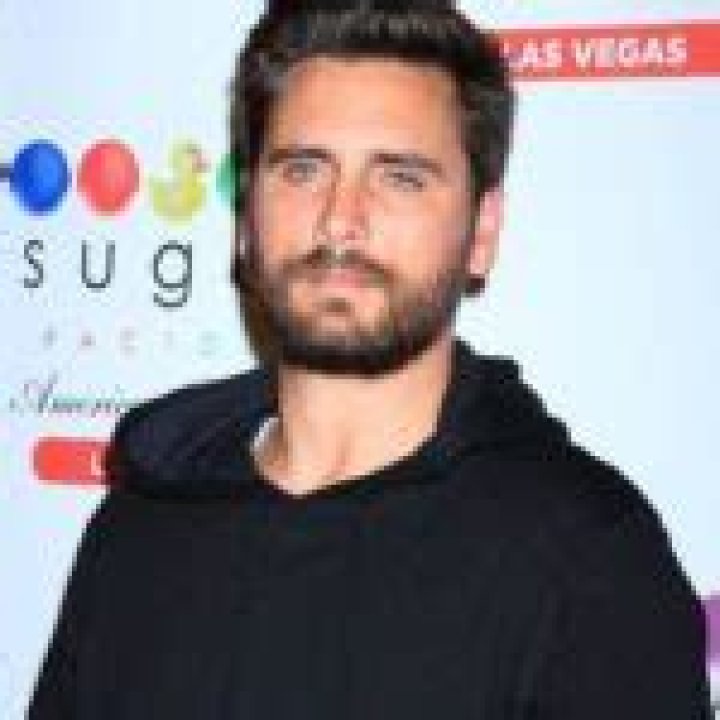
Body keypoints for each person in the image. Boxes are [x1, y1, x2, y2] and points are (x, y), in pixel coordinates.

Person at [28, 1, 712, 718]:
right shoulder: (140, 527)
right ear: (245, 218)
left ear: (482, 232)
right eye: (303, 169)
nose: (339, 219)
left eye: (400, 178)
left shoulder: (587, 561)